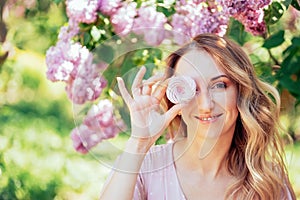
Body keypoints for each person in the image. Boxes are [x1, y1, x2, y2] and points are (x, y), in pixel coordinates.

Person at [100, 33, 296, 200]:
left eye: (219, 85)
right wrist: (139, 142)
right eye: (190, 88)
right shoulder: (143, 165)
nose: (205, 105)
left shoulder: (267, 181)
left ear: (241, 91)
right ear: (175, 97)